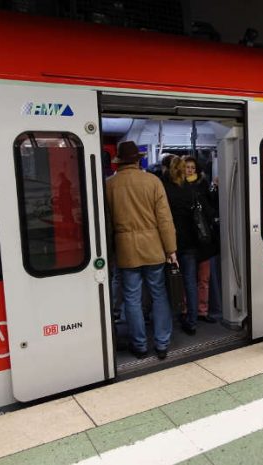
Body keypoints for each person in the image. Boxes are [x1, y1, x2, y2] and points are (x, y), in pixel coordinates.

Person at [106, 141, 177, 360]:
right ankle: (162, 344)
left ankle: (140, 345)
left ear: (120, 161)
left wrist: (110, 252)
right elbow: (164, 220)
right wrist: (171, 249)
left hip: (125, 249)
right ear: (138, 160)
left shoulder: (109, 185)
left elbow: (107, 222)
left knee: (132, 298)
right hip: (153, 246)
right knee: (158, 294)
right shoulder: (153, 181)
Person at [162, 156, 201, 335]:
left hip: (171, 243)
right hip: (190, 242)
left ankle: (169, 321)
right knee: (190, 283)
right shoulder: (190, 189)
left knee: (168, 283)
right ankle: (192, 322)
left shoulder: (165, 189)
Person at [183, 155, 219, 323]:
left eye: (192, 167)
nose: (189, 170)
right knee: (188, 279)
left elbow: (212, 209)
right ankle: (186, 309)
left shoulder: (204, 185)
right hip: (188, 240)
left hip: (204, 240)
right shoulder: (179, 186)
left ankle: (202, 311)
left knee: (203, 279)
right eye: (186, 167)